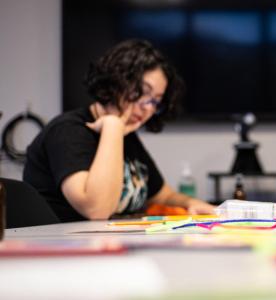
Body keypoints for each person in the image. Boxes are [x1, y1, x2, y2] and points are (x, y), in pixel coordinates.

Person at [23, 39, 215, 222]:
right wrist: (113, 128)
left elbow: (161, 195)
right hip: (63, 249)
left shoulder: (128, 136)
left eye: (156, 100)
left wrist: (191, 203)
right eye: (141, 93)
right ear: (115, 83)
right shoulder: (68, 131)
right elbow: (96, 209)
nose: (148, 108)